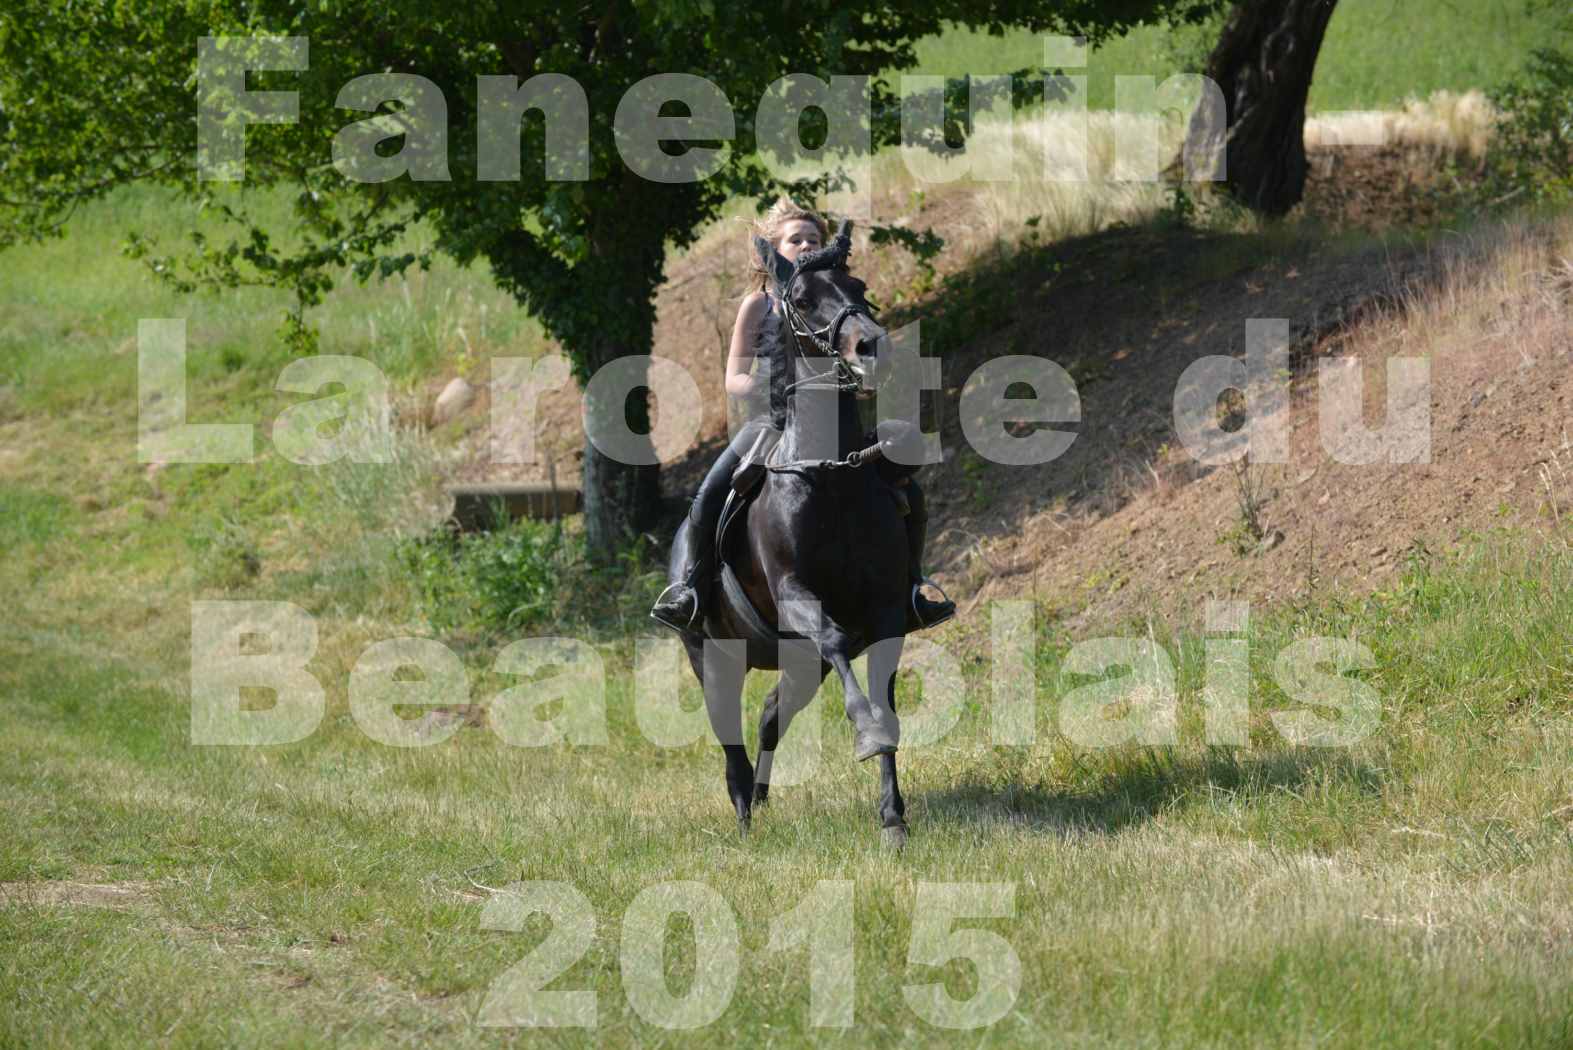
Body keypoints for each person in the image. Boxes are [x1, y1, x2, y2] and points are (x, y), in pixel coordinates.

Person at [650, 196, 955, 635]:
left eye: (814, 238)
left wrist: (869, 377)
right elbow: (732, 377)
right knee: (709, 495)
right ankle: (689, 591)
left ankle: (912, 590)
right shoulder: (759, 304)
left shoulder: (832, 300)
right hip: (769, 426)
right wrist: (762, 385)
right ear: (775, 249)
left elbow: (858, 362)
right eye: (797, 239)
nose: (808, 245)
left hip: (836, 429)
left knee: (908, 490)